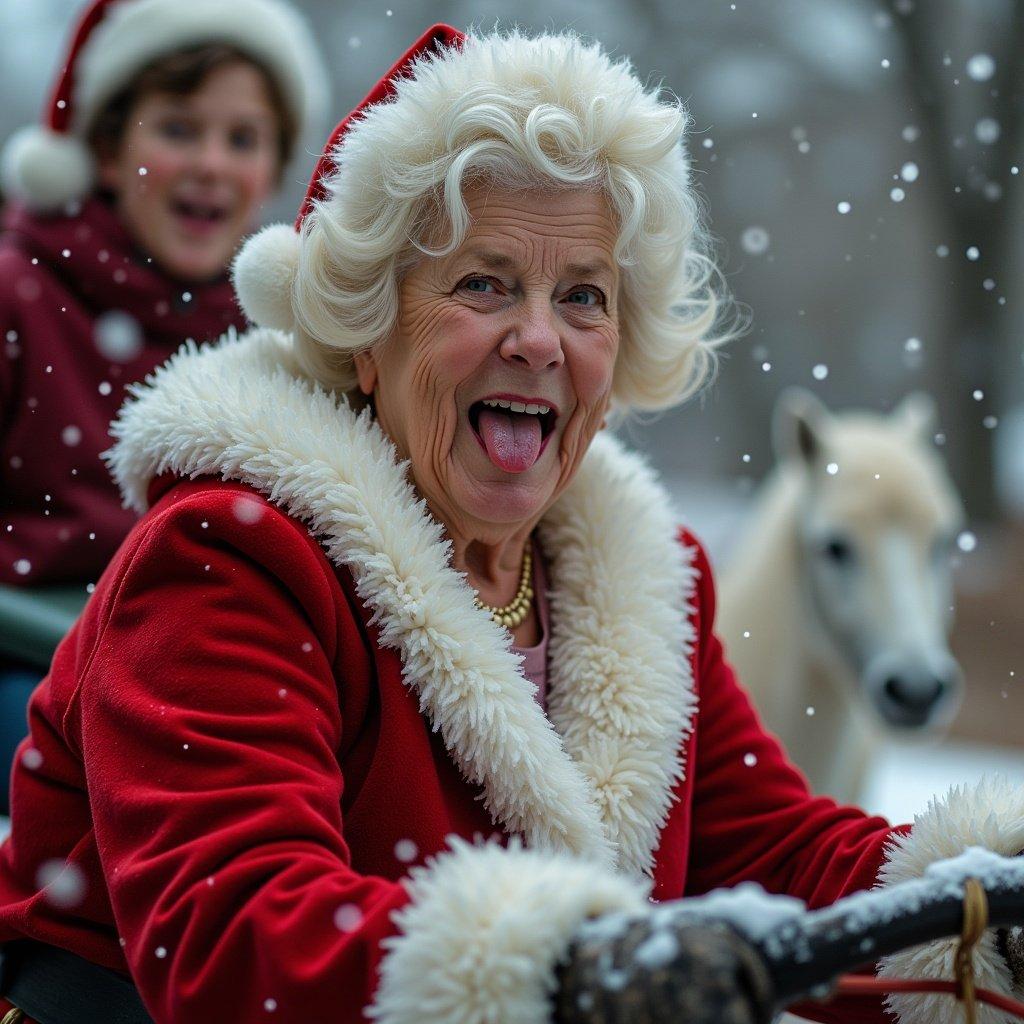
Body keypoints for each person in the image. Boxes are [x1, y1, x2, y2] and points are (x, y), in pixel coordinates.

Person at [0, 23, 1020, 1024]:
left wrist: (979, 912)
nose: (539, 339)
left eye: (583, 296)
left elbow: (779, 853)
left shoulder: (643, 585)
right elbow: (240, 931)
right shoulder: (227, 556)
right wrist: (564, 966)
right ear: (365, 330)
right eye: (484, 283)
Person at [0, 0, 326, 813]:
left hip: (201, 662)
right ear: (107, 152)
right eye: (179, 130)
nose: (212, 163)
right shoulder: (20, 295)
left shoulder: (282, 346)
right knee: (107, 794)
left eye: (242, 139)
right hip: (23, 661)